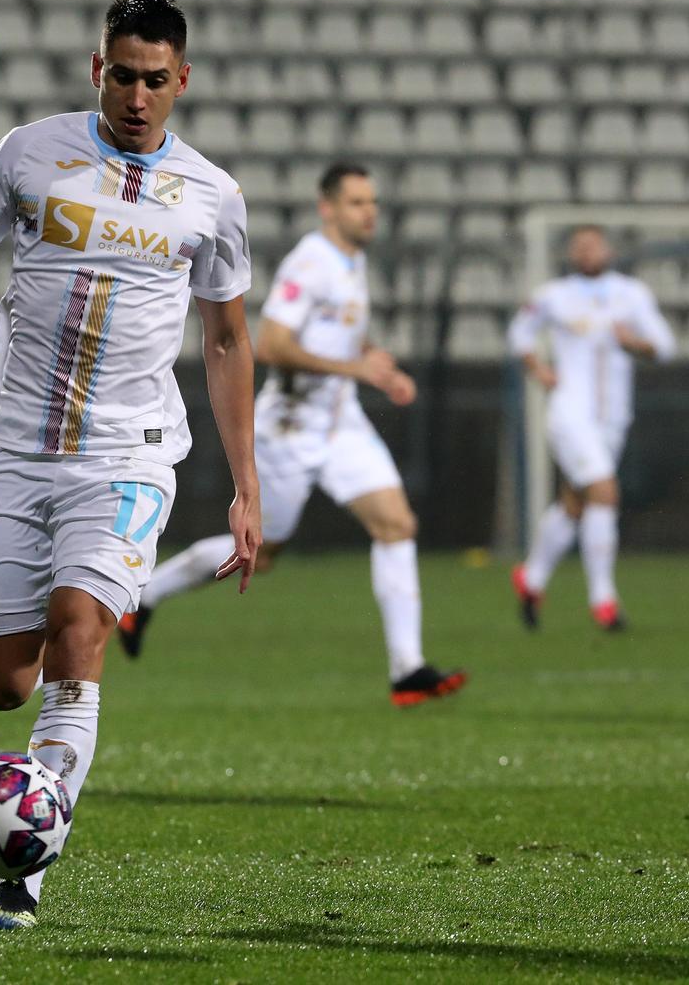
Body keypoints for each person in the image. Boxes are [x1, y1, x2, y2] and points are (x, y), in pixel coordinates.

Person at [0, 0, 260, 930]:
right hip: (18, 446)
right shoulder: (32, 152)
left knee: (79, 632)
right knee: (3, 684)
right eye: (123, 75)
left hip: (131, 453)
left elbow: (227, 340)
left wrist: (245, 485)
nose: (139, 95)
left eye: (157, 80)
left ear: (182, 80)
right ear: (96, 69)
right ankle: (34, 768)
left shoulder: (213, 196)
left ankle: (23, 874)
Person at [120, 163, 467, 708]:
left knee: (397, 524)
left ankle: (407, 670)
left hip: (339, 422)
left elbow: (340, 334)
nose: (368, 211)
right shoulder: (312, 261)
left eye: (372, 201)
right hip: (290, 427)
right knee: (263, 547)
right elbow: (275, 344)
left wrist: (375, 359)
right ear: (327, 208)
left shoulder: (351, 263)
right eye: (356, 202)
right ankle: (141, 597)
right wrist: (358, 371)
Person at [507, 224, 676, 631]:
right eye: (578, 246)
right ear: (570, 254)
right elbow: (519, 333)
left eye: (593, 244)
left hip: (613, 417)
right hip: (570, 413)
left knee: (575, 503)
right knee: (604, 491)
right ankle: (604, 601)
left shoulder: (631, 294)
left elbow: (666, 347)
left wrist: (635, 344)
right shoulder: (554, 296)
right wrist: (538, 368)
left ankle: (531, 580)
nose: (586, 252)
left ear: (608, 250)